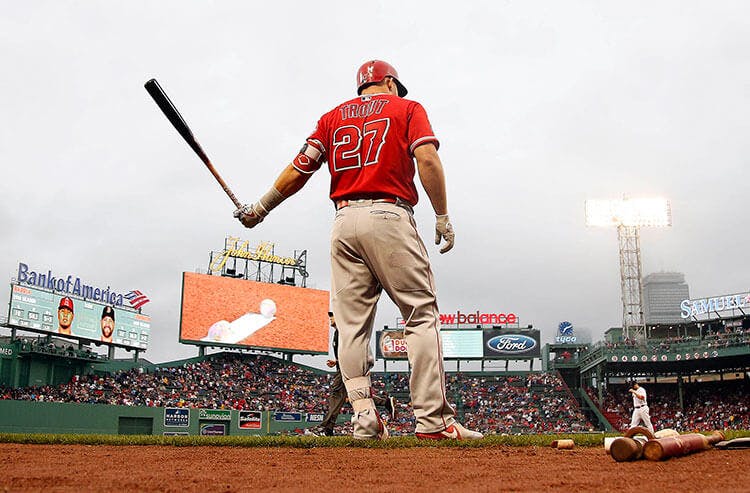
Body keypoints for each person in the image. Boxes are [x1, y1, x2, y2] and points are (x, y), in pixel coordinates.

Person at [235, 60, 482, 440]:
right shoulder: (408, 107)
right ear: (388, 82)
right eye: (397, 86)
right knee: (419, 315)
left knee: (350, 327)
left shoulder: (332, 118)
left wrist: (260, 208)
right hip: (388, 215)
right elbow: (427, 158)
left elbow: (299, 168)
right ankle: (433, 422)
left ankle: (365, 419)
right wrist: (442, 214)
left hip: (343, 221)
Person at [320, 311, 396, 436]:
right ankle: (385, 402)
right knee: (357, 394)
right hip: (345, 366)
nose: (330, 320)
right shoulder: (339, 333)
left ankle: (326, 428)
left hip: (346, 368)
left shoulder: (344, 333)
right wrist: (336, 361)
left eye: (332, 318)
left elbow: (350, 352)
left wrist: (339, 362)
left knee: (337, 394)